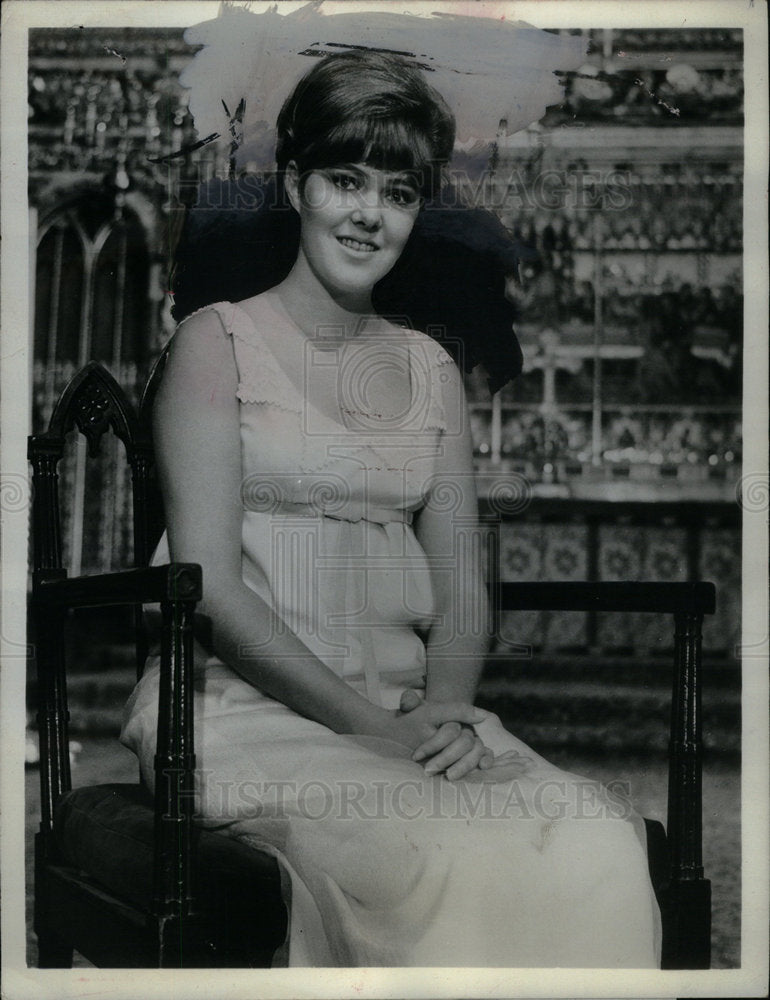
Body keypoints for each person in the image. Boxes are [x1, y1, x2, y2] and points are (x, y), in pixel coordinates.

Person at [121, 50, 661, 967]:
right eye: (344, 180)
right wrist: (376, 733)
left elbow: (461, 587)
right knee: (431, 854)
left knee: (597, 847)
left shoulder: (428, 369)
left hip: (411, 713)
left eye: (400, 192)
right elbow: (208, 585)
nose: (370, 214)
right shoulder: (218, 344)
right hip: (242, 716)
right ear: (295, 184)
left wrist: (445, 714)